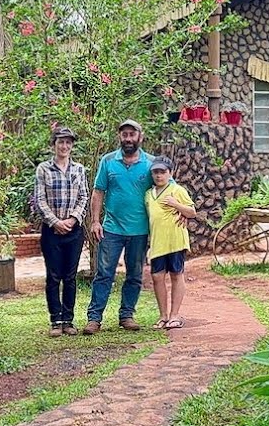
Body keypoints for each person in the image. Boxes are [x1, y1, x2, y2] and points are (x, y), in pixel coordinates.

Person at [84, 119, 152, 334]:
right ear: (120, 137)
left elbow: (165, 190)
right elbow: (98, 192)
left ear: (140, 136)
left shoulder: (151, 164)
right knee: (104, 274)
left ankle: (127, 315)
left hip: (140, 230)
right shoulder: (108, 161)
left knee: (134, 274)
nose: (128, 138)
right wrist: (95, 221)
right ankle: (94, 319)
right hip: (111, 229)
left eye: (132, 134)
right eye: (125, 135)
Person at [34, 126, 89, 337]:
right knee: (53, 277)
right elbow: (40, 200)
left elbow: (84, 197)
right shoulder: (43, 169)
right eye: (61, 142)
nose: (64, 146)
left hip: (74, 231)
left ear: (72, 145)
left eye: (68, 142)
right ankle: (55, 321)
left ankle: (68, 320)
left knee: (70, 276)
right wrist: (56, 222)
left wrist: (73, 219)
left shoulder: (79, 170)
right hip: (51, 231)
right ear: (54, 144)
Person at [144, 156, 196, 329]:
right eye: (156, 172)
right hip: (157, 242)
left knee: (176, 274)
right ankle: (163, 315)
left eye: (162, 172)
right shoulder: (148, 194)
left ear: (170, 173)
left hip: (175, 240)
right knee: (157, 277)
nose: (159, 176)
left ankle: (175, 315)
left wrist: (177, 205)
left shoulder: (177, 190)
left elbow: (192, 212)